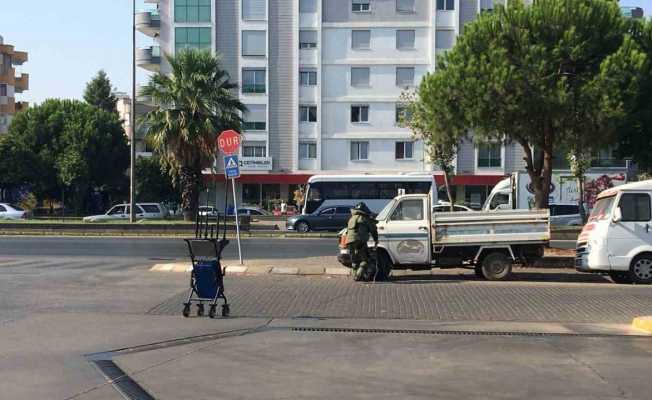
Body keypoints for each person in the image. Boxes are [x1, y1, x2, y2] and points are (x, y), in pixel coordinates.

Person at [346, 202, 379, 282]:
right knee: (365, 259)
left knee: (354, 260)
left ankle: (355, 276)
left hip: (349, 242)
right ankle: (358, 275)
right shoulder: (365, 219)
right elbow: (373, 230)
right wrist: (376, 240)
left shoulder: (351, 218)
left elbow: (348, 232)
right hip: (360, 241)